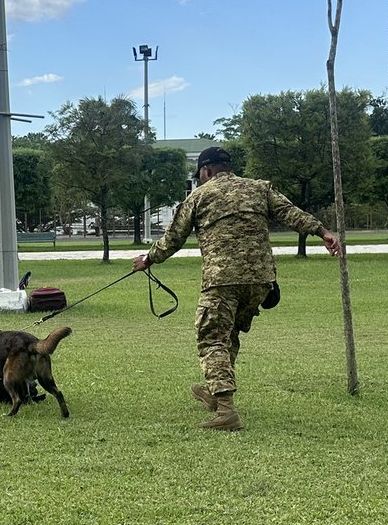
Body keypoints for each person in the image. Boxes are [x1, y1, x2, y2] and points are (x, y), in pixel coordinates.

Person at [132, 146, 341, 432]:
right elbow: (290, 213)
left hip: (222, 280)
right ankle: (214, 392)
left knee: (211, 339)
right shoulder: (259, 188)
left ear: (205, 171)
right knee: (228, 335)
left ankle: (226, 411)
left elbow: (173, 239)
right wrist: (323, 232)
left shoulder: (199, 196)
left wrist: (148, 259)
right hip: (261, 282)